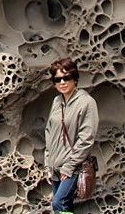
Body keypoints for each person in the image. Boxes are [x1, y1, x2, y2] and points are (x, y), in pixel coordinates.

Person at [44, 57, 99, 213]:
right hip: (55, 167)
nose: (62, 82)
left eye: (66, 78)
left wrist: (69, 167)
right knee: (63, 207)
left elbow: (86, 138)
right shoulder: (56, 101)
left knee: (59, 203)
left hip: (73, 166)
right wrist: (48, 163)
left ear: (75, 79)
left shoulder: (86, 102)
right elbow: (49, 131)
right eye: (58, 79)